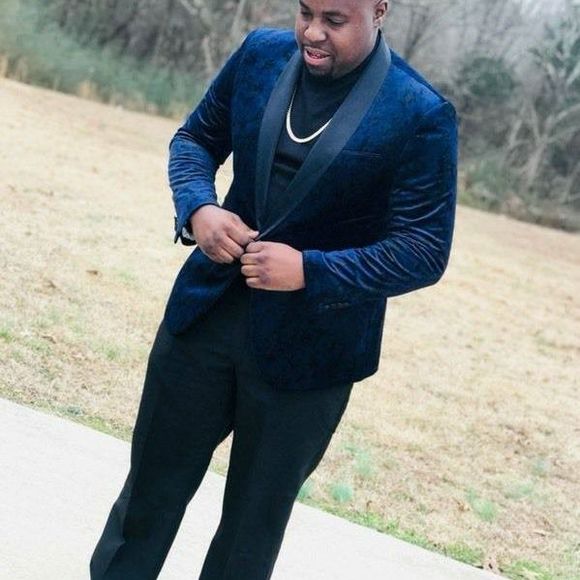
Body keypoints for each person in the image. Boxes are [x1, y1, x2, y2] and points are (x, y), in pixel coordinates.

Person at [89, 0, 458, 578]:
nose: (313, 32)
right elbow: (194, 140)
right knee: (145, 499)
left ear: (380, 10)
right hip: (205, 318)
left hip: (311, 358)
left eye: (334, 20)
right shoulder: (260, 54)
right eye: (305, 12)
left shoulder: (420, 112)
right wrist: (199, 208)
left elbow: (424, 249)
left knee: (248, 538)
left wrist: (310, 270)